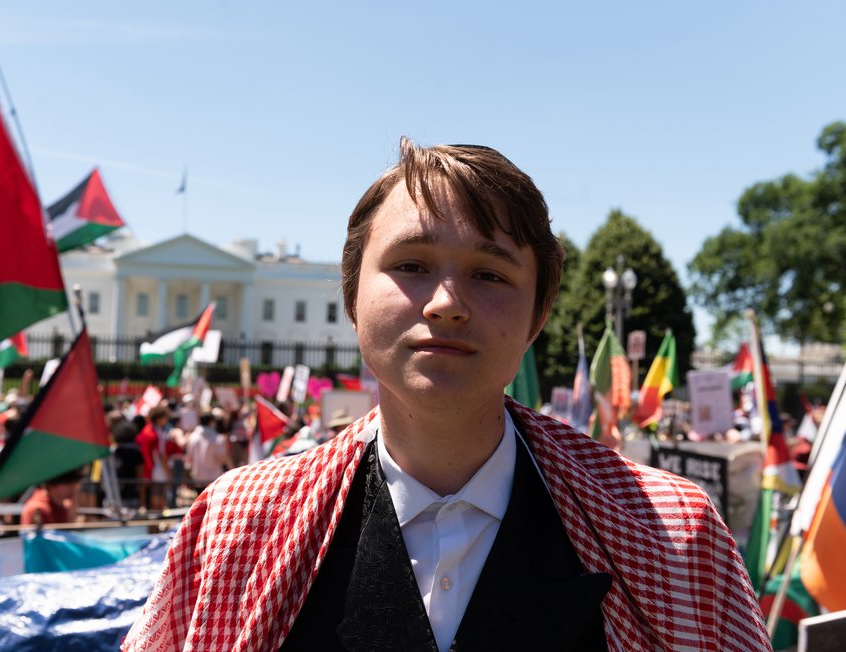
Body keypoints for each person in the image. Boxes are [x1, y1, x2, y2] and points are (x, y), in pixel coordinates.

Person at [123, 139, 770, 651]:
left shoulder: (674, 534)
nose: (447, 304)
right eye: (411, 265)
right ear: (352, 297)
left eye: (489, 274)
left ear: (537, 315)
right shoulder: (233, 526)